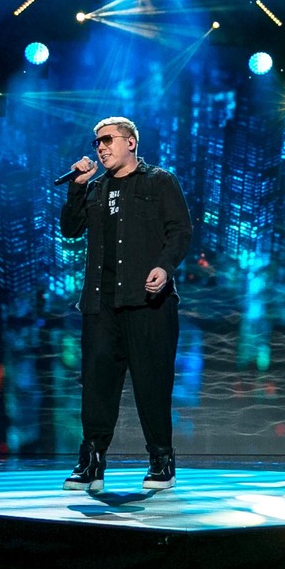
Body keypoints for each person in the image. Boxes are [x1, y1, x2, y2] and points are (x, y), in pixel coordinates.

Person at [58, 116, 191, 494]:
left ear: (130, 142)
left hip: (148, 302)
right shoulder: (95, 188)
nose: (100, 148)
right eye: (97, 142)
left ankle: (161, 460)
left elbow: (180, 230)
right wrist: (77, 188)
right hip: (101, 304)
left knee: (152, 383)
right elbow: (70, 229)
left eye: (107, 140)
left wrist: (164, 267)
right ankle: (91, 463)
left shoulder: (159, 181)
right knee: (97, 386)